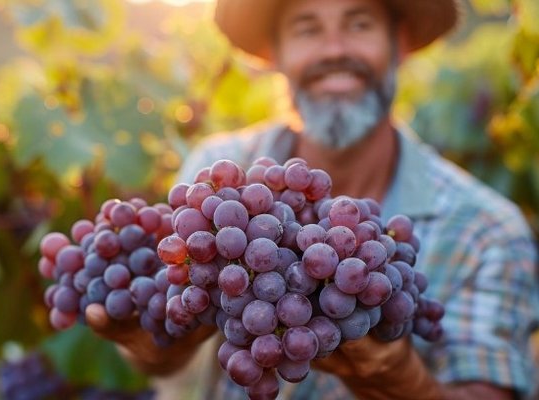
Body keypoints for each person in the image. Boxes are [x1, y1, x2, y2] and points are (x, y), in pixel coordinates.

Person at [85, 0, 539, 398]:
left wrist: (398, 382)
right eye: (307, 28)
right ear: (275, 54)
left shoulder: (486, 229)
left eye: (359, 24)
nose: (334, 49)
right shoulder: (218, 174)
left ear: (399, 44)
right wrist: (161, 344)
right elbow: (161, 345)